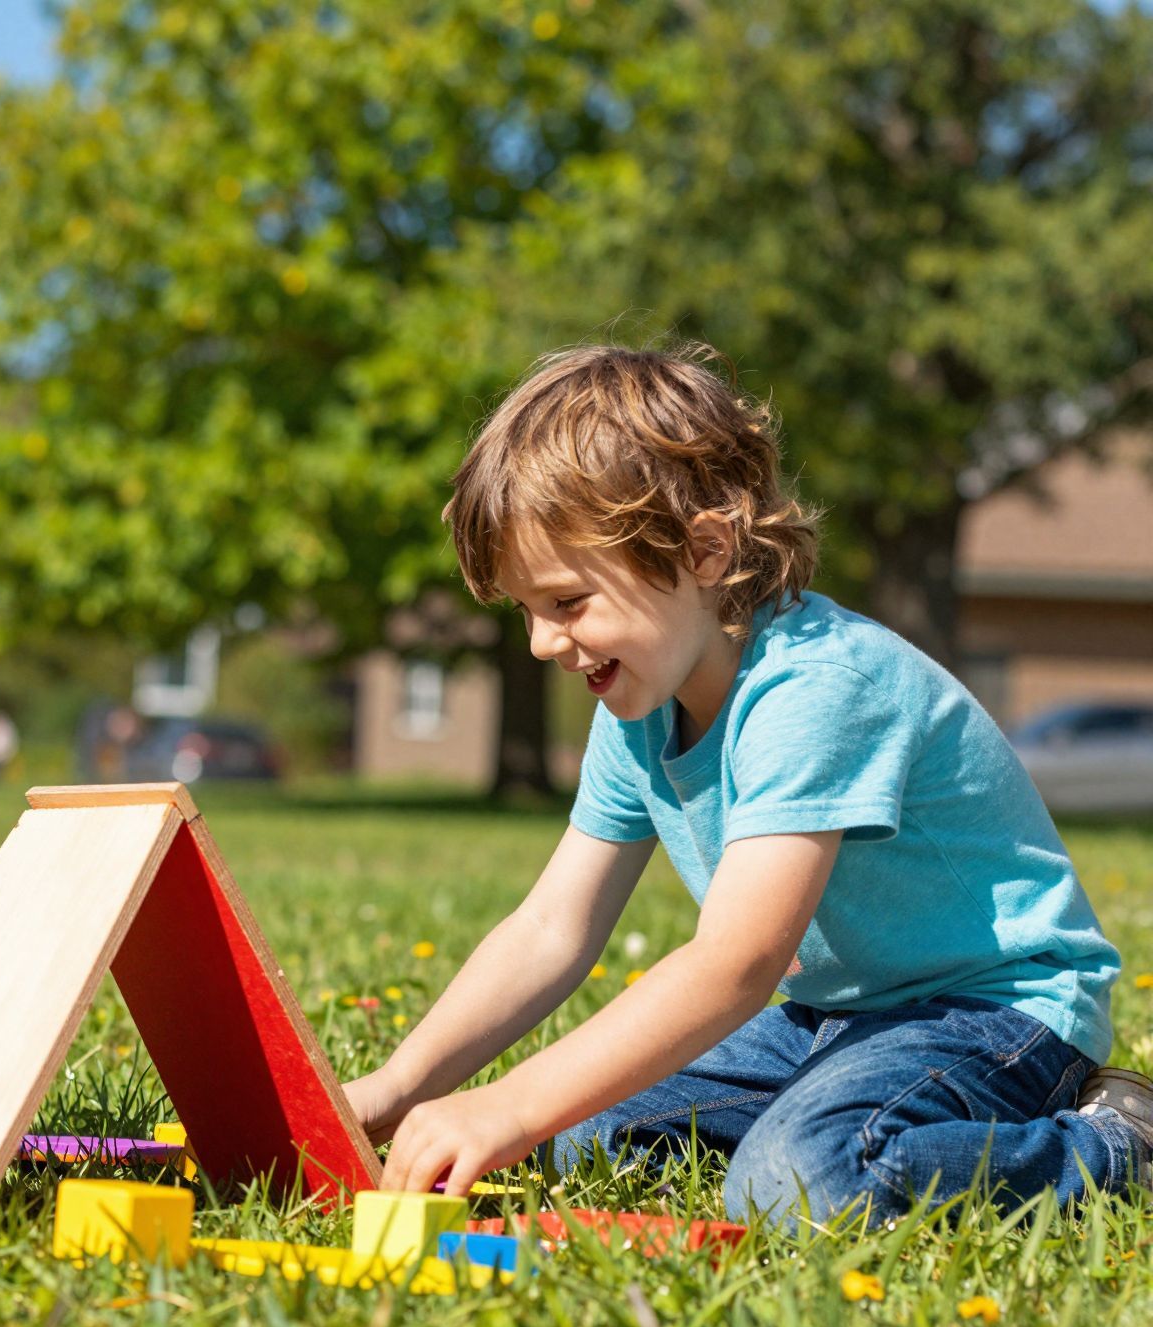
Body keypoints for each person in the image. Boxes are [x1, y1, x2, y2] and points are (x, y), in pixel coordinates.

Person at [344, 343, 1149, 1223]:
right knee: (576, 1140)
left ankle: (1116, 1148)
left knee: (800, 1180)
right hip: (837, 1018)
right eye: (527, 610)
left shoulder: (817, 688)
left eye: (567, 602)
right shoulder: (638, 702)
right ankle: (844, 1109)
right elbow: (550, 928)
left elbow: (737, 964)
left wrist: (508, 1102)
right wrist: (390, 1092)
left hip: (995, 1016)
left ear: (703, 551)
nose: (542, 641)